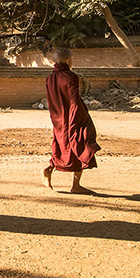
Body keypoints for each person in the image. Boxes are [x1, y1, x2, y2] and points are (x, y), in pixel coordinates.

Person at [42, 48, 101, 194]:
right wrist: (78, 119)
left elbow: (52, 100)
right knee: (82, 144)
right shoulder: (71, 77)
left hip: (58, 118)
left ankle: (49, 168)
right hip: (74, 117)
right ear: (68, 61)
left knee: (62, 145)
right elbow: (74, 100)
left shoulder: (49, 79)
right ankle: (76, 185)